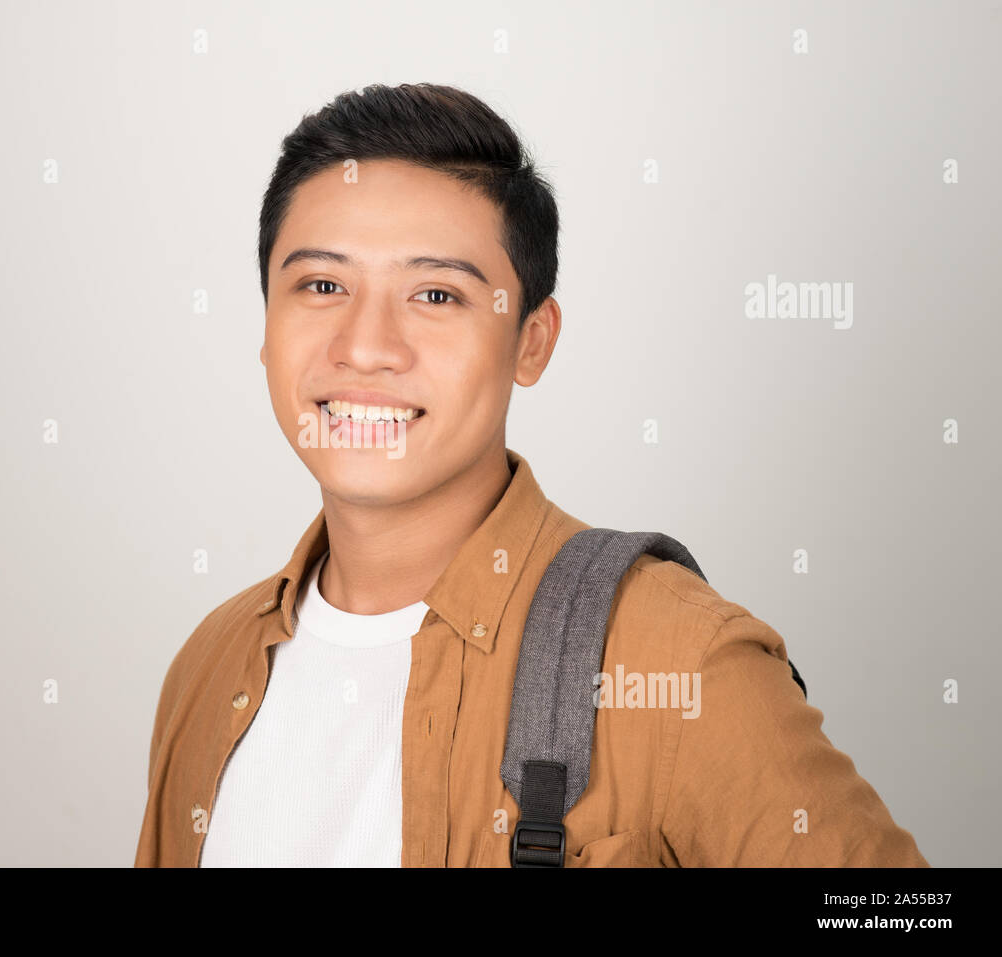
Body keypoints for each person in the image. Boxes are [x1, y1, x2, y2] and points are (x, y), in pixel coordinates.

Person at [134, 82, 928, 867]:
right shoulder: (209, 666)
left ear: (531, 341)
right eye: (322, 285)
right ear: (266, 326)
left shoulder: (672, 658)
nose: (366, 344)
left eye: (436, 293)